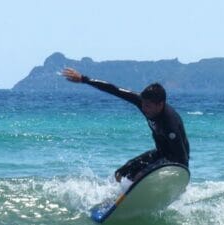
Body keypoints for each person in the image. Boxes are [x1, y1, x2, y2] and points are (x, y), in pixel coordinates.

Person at [61, 67, 189, 182]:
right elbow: (115, 90)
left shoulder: (170, 123)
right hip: (160, 153)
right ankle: (119, 198)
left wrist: (175, 181)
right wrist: (84, 79)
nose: (144, 108)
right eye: (143, 104)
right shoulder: (143, 103)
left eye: (148, 106)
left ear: (160, 104)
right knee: (120, 174)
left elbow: (181, 158)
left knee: (140, 176)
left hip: (175, 161)